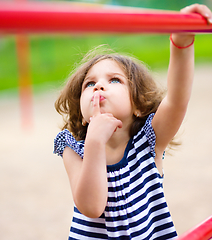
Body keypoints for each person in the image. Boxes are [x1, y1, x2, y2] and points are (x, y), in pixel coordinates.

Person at [54, 4, 212, 240]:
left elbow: (177, 99)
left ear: (138, 105)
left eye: (114, 80)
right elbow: (91, 206)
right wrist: (94, 141)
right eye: (89, 83)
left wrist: (180, 43)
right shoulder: (74, 148)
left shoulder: (149, 141)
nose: (98, 86)